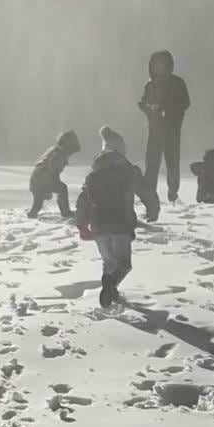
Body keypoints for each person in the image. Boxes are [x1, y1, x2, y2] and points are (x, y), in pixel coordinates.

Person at [75, 125, 160, 308]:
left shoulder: (92, 176)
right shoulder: (129, 171)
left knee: (108, 263)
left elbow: (83, 201)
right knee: (123, 264)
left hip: (98, 227)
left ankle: (110, 291)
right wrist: (153, 209)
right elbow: (146, 191)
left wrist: (82, 224)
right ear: (122, 151)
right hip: (120, 224)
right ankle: (111, 284)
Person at [138, 49, 190, 204]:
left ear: (167, 64)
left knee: (172, 163)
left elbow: (185, 103)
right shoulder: (150, 85)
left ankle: (173, 195)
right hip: (154, 130)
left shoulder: (177, 83)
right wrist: (146, 108)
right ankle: (149, 196)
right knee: (151, 164)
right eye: (153, 63)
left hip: (172, 129)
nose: (156, 66)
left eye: (159, 63)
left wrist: (168, 109)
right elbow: (145, 102)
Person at [28, 130, 82, 218]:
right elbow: (52, 171)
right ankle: (65, 212)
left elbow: (50, 169)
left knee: (37, 204)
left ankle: (32, 214)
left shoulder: (56, 151)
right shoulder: (60, 155)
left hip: (36, 179)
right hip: (41, 179)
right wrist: (48, 188)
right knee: (62, 188)